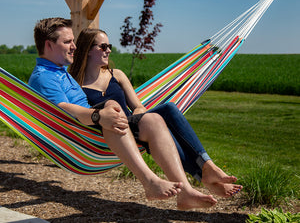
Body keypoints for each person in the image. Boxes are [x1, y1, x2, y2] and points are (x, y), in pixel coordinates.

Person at [28, 17, 221, 210]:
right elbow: (60, 109)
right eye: (67, 42)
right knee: (114, 106)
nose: (74, 47)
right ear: (48, 45)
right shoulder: (45, 76)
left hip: (97, 126)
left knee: (154, 119)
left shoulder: (61, 72)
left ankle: (186, 192)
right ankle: (151, 181)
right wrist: (98, 115)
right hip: (85, 133)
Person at [69, 27, 243, 199]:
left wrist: (136, 116)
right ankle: (205, 171)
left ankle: (207, 168)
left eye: (109, 46)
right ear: (87, 50)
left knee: (168, 111)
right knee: (166, 113)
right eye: (103, 46)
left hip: (133, 123)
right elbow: (80, 114)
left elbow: (138, 106)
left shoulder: (117, 75)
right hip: (110, 132)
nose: (108, 50)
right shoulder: (75, 85)